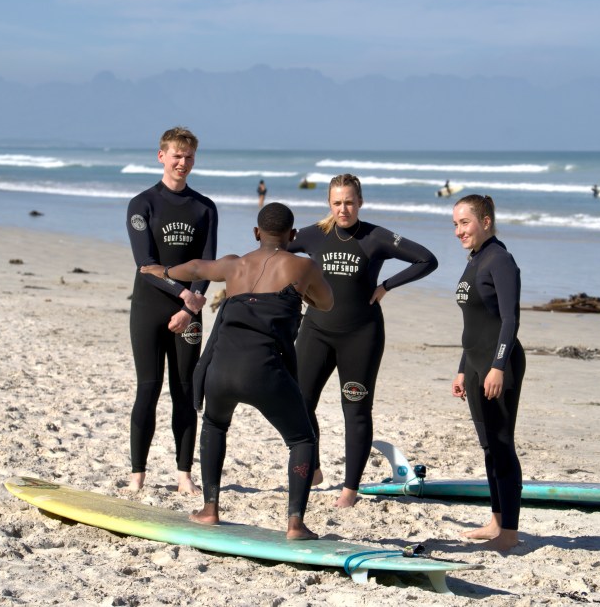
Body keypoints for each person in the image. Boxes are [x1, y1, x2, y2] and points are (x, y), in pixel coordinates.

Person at [140, 202, 333, 539]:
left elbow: (197, 267)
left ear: (257, 234)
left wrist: (165, 272)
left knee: (214, 425)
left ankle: (210, 509)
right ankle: (295, 523)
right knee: (302, 439)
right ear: (293, 235)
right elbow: (327, 302)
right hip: (265, 372)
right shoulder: (304, 266)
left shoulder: (233, 265)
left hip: (220, 369)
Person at [289, 173, 438, 507]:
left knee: (355, 411)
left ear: (360, 202)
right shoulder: (314, 234)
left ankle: (349, 490)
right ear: (329, 203)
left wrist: (386, 286)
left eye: (350, 202)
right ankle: (312, 466)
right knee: (298, 402)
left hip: (361, 335)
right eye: (337, 203)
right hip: (315, 331)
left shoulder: (376, 237)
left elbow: (427, 259)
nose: (344, 209)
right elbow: (274, 248)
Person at [126, 126, 218, 495]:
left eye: (189, 157)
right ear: (161, 156)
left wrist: (192, 305)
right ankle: (138, 476)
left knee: (185, 392)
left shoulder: (204, 207)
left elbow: (208, 262)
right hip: (149, 307)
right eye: (177, 156)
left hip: (189, 311)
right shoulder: (142, 203)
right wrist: (185, 294)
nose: (183, 163)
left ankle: (184, 475)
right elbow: (145, 265)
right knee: (147, 390)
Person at [451, 194, 525, 552]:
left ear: (486, 221)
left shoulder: (501, 260)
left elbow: (510, 320)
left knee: (502, 445)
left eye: (465, 223)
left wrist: (497, 365)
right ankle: (496, 521)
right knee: (487, 446)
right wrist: (464, 370)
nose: (459, 231)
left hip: (502, 364)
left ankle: (509, 533)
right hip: (477, 364)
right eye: (455, 224)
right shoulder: (475, 259)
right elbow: (474, 324)